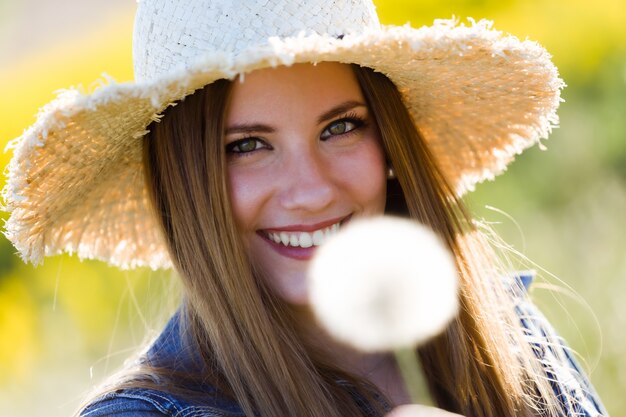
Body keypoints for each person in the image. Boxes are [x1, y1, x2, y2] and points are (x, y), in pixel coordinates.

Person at [1, 0, 608, 416]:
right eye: (247, 146)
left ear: (389, 143)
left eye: (341, 127)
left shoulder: (514, 337)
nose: (311, 189)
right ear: (186, 184)